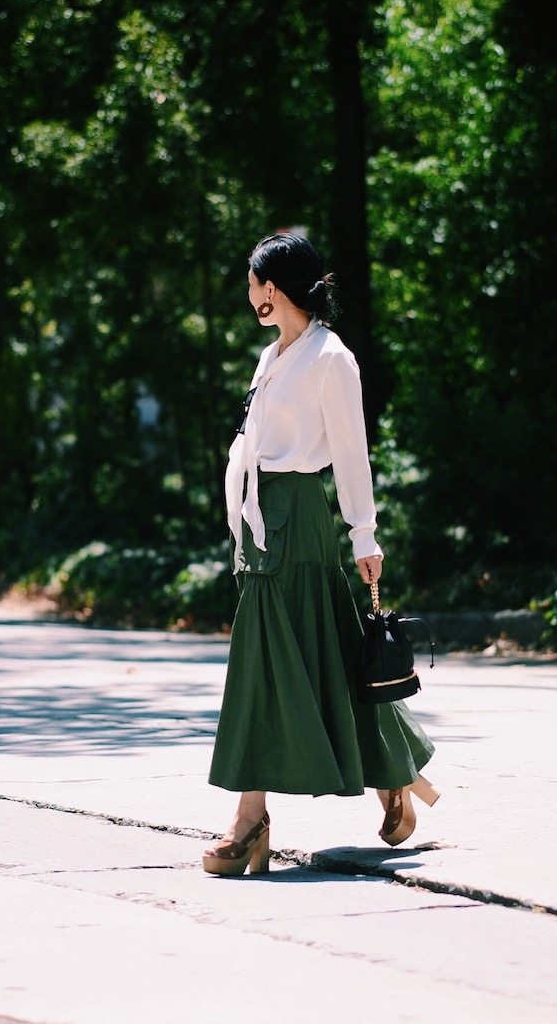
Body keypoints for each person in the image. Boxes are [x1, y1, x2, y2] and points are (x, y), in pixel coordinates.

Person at [203, 233, 437, 877]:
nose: (248, 293)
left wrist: (364, 534)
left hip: (300, 518)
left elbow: (352, 452)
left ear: (271, 289)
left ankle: (250, 820)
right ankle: (392, 772)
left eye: (252, 282)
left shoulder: (331, 358)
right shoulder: (274, 356)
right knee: (319, 652)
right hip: (261, 523)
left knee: (278, 658)